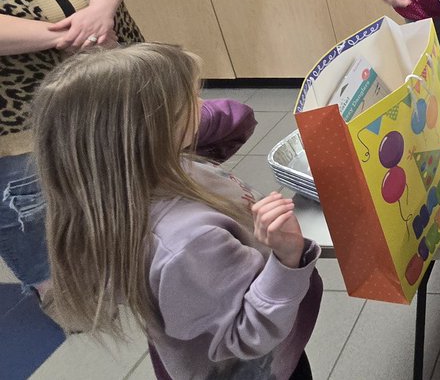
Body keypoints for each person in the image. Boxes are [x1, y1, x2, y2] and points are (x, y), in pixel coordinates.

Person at [32, 43, 322, 380]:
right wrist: (288, 259)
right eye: (189, 102)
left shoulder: (141, 174)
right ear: (151, 133)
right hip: (258, 366)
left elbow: (236, 119)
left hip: (244, 332)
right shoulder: (184, 243)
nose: (202, 106)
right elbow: (246, 336)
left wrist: (176, 108)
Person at [0, 0, 143, 299]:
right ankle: (57, 292)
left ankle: (137, 262)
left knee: (129, 164)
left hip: (110, 65)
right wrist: (66, 36)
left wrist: (100, 12)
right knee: (29, 205)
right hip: (22, 106)